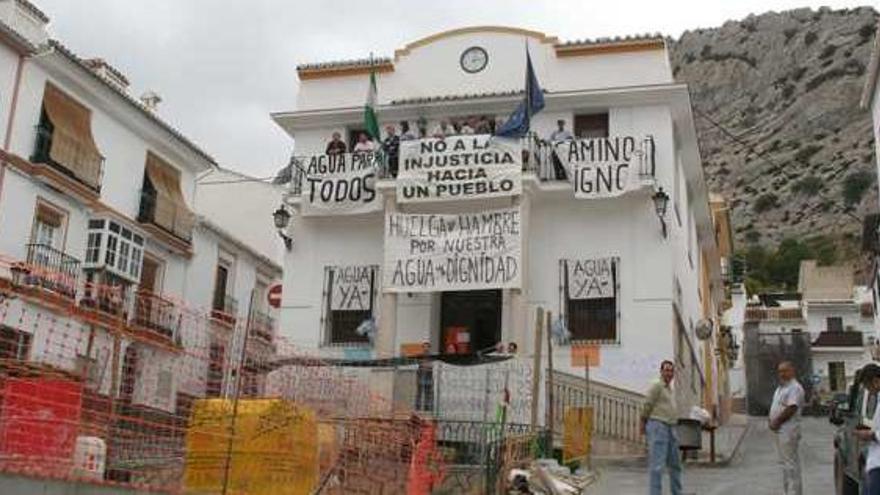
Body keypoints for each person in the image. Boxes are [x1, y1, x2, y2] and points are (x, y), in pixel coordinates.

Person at [641, 360, 682, 495]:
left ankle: (677, 492)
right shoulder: (657, 385)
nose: (669, 373)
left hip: (671, 427)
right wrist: (643, 423)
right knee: (657, 466)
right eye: (666, 370)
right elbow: (647, 405)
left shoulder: (669, 389)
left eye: (671, 371)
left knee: (675, 465)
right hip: (658, 426)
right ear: (661, 371)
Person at [769, 361, 805, 495]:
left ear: (792, 371)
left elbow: (792, 407)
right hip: (780, 430)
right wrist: (771, 420)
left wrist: (776, 421)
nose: (782, 374)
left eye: (785, 371)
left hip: (788, 430)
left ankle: (794, 492)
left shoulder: (794, 388)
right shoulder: (781, 388)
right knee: (785, 464)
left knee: (790, 465)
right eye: (780, 371)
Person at [856, 363, 880, 494]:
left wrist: (871, 435)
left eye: (867, 387)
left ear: (876, 381)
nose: (869, 391)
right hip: (874, 462)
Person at [415, 342, 434, 412]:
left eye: (427, 347)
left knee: (427, 392)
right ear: (422, 348)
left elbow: (432, 365)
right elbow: (418, 364)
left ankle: (426, 408)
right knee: (419, 392)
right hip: (421, 374)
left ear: (429, 348)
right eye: (424, 347)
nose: (426, 348)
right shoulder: (419, 356)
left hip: (429, 375)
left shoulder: (432, 356)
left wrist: (427, 365)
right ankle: (418, 408)